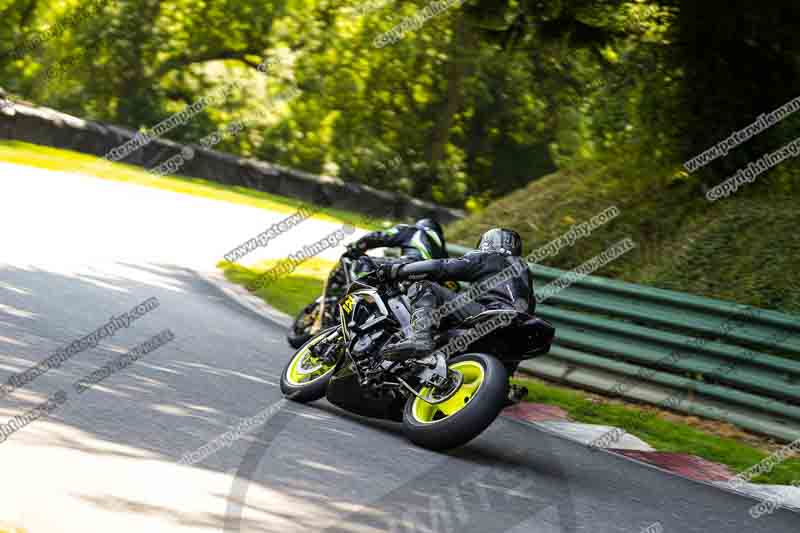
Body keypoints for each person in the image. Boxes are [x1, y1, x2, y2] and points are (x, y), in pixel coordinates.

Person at [376, 228, 534, 366]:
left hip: (491, 314)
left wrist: (398, 270)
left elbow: (441, 267)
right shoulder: (525, 276)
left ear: (488, 243)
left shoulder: (489, 257)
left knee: (424, 286)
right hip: (515, 329)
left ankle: (421, 338)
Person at [345, 218, 448, 261]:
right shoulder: (442, 250)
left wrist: (357, 245)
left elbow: (379, 237)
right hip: (434, 284)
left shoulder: (413, 230)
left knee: (366, 264)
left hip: (409, 268)